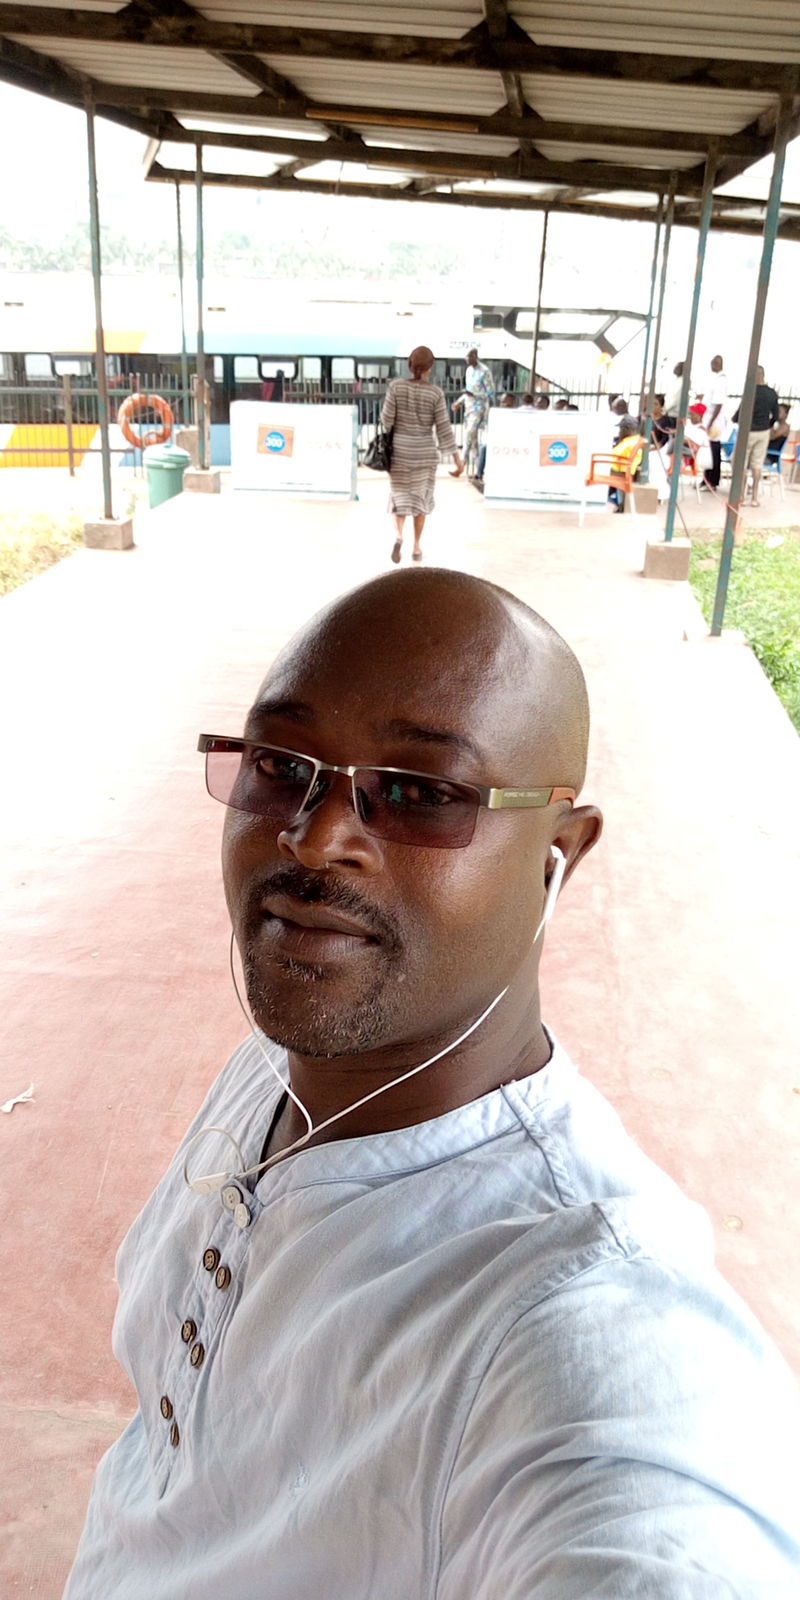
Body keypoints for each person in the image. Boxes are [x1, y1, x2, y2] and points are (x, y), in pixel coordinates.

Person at [63, 569, 800, 1599]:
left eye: (419, 793)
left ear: (558, 854)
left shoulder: (577, 1321)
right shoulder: (277, 1068)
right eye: (280, 765)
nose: (315, 836)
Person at [380, 345, 464, 566]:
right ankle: (416, 547)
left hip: (400, 452)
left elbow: (386, 420)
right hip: (425, 453)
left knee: (399, 496)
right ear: (430, 367)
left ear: (409, 364)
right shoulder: (435, 393)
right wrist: (457, 460)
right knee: (420, 500)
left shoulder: (396, 387)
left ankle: (398, 536)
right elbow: (444, 428)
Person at [732, 367, 779, 506]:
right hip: (763, 432)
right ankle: (754, 498)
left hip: (747, 431)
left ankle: (741, 497)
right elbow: (775, 415)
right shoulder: (771, 393)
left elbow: (741, 411)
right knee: (757, 465)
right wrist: (768, 425)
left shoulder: (749, 391)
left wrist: (735, 419)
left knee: (742, 464)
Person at [451, 347, 494, 467]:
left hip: (479, 407)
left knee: (469, 433)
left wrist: (474, 394)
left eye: (469, 356)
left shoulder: (484, 372)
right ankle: (479, 466)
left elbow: (490, 392)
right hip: (469, 407)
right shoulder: (469, 370)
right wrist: (459, 402)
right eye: (465, 356)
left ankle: (461, 462)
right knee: (473, 439)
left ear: (475, 356)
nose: (466, 359)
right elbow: (468, 391)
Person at [703, 353, 729, 490]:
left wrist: (710, 422)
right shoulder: (716, 379)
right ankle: (706, 479)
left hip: (714, 422)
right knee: (708, 450)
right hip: (710, 419)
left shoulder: (720, 381)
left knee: (713, 451)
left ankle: (712, 481)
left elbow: (718, 404)